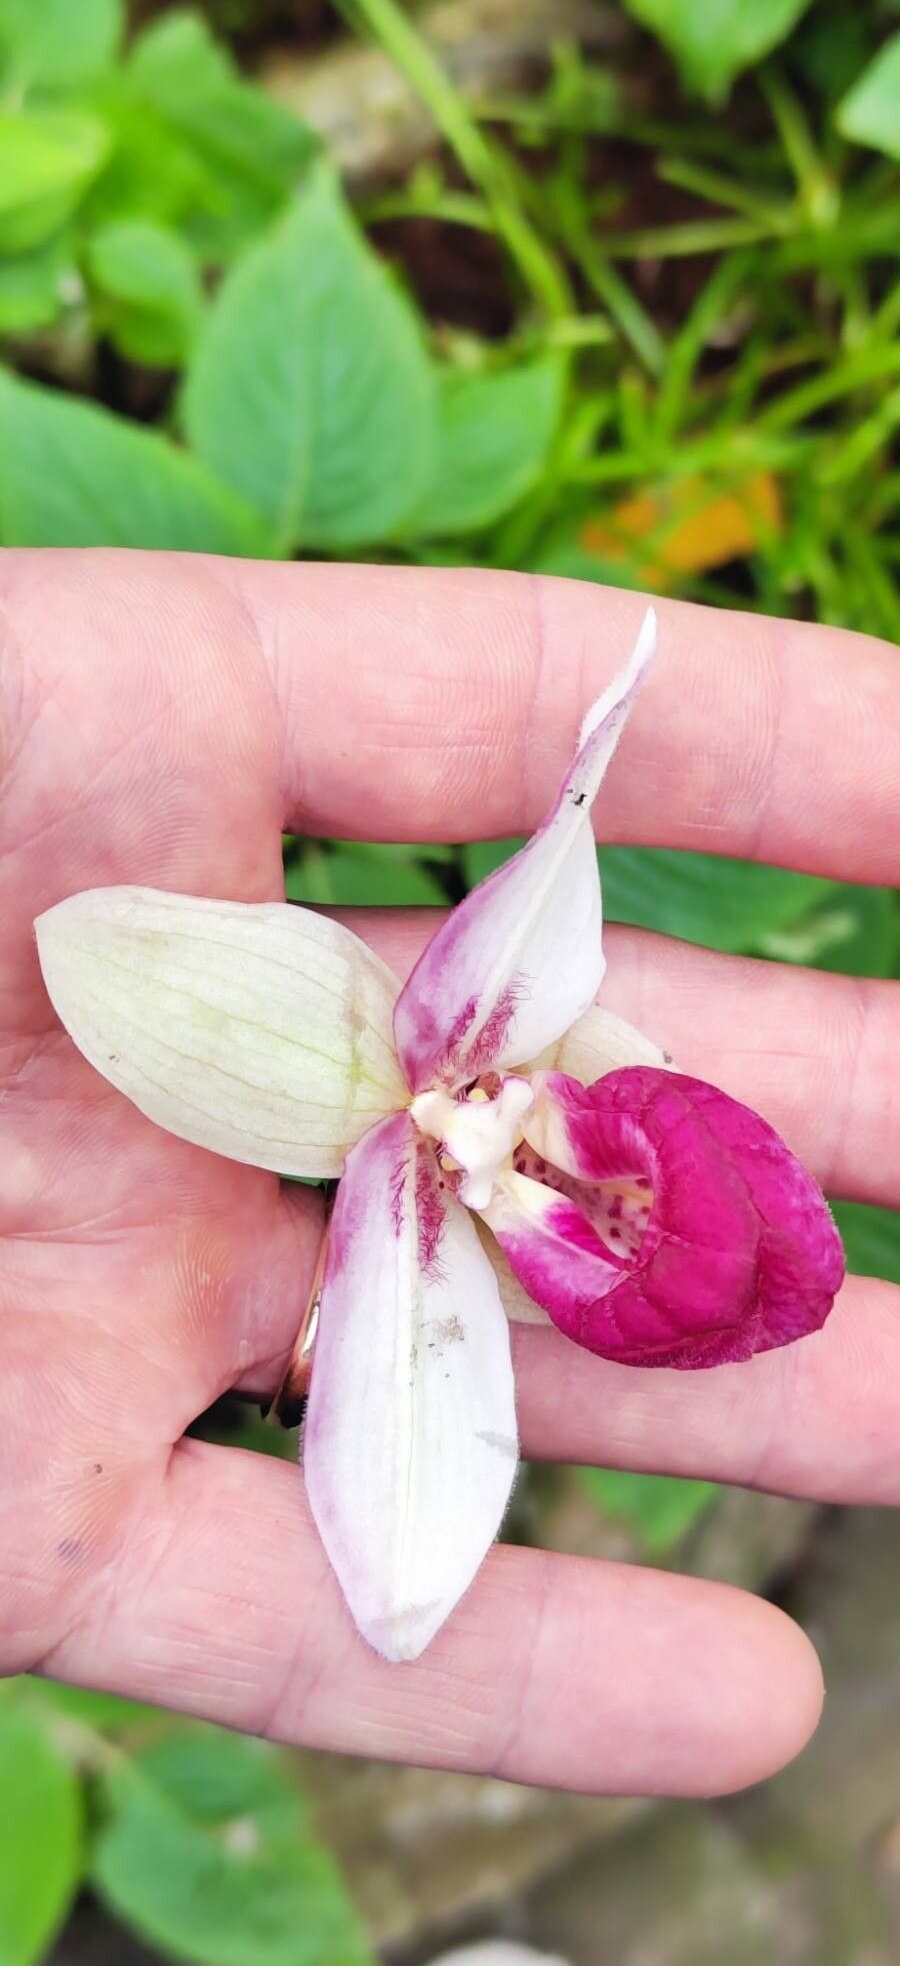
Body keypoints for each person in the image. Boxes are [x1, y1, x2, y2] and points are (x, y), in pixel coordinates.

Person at [1, 548, 898, 1796]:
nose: (500, 1132)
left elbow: (558, 858)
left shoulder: (494, 1074)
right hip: (437, 1152)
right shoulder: (420, 1178)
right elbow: (127, 973)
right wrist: (489, 1156)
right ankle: (513, 1176)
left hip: (477, 1110)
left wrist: (508, 1136)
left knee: (704, 1236)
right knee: (526, 1175)